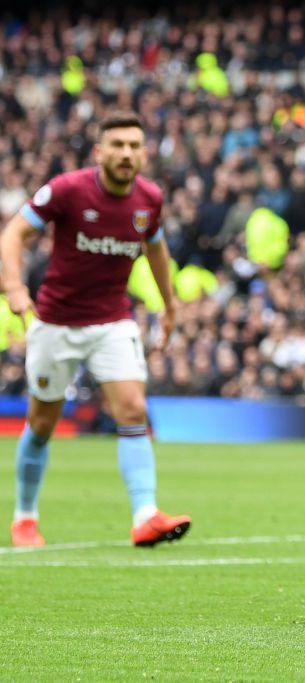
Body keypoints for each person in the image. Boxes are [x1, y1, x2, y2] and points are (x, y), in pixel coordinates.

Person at [1, 111, 191, 548]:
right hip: (56, 322)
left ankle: (145, 515)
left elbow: (156, 249)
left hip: (112, 321)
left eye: (133, 146)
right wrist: (13, 288)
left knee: (132, 409)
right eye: (117, 145)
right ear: (99, 151)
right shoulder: (67, 190)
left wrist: (170, 304)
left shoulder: (149, 198)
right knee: (42, 422)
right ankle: (25, 517)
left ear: (145, 153)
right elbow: (13, 234)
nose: (126, 154)